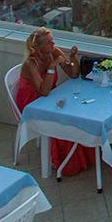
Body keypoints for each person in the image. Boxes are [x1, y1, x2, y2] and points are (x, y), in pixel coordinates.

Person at [15, 28, 96, 179]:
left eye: (52, 40)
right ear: (37, 47)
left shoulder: (54, 51)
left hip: (49, 95)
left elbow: (73, 74)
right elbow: (43, 91)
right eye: (48, 42)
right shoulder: (30, 63)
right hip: (31, 103)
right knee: (61, 119)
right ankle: (65, 162)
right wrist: (52, 67)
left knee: (74, 112)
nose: (53, 43)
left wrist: (73, 58)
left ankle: (82, 154)